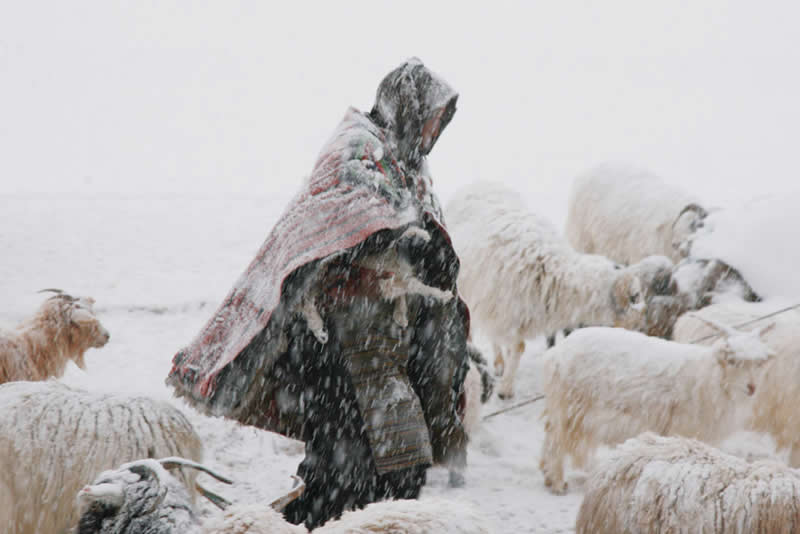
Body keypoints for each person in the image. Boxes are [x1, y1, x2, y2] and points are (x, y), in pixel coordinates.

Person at [166, 58, 470, 529]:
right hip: (333, 343)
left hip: (387, 344)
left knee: (403, 465)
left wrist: (432, 257)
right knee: (341, 469)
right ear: (407, 108)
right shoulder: (357, 147)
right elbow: (343, 221)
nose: (434, 130)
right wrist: (403, 240)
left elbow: (430, 244)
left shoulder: (411, 167)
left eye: (439, 121)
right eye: (430, 117)